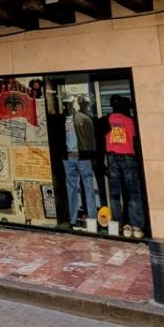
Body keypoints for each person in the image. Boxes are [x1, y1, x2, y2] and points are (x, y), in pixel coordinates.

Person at [104, 95, 145, 237]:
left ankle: (118, 225)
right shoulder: (129, 121)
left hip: (112, 157)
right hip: (128, 157)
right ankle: (136, 226)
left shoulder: (107, 120)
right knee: (134, 192)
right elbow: (134, 140)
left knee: (115, 194)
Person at [61, 95, 99, 228]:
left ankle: (92, 219)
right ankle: (73, 219)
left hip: (82, 157)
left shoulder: (83, 118)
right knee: (71, 188)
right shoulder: (60, 119)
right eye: (65, 103)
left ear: (73, 103)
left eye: (69, 103)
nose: (67, 106)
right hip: (68, 157)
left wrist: (92, 155)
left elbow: (91, 139)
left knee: (88, 186)